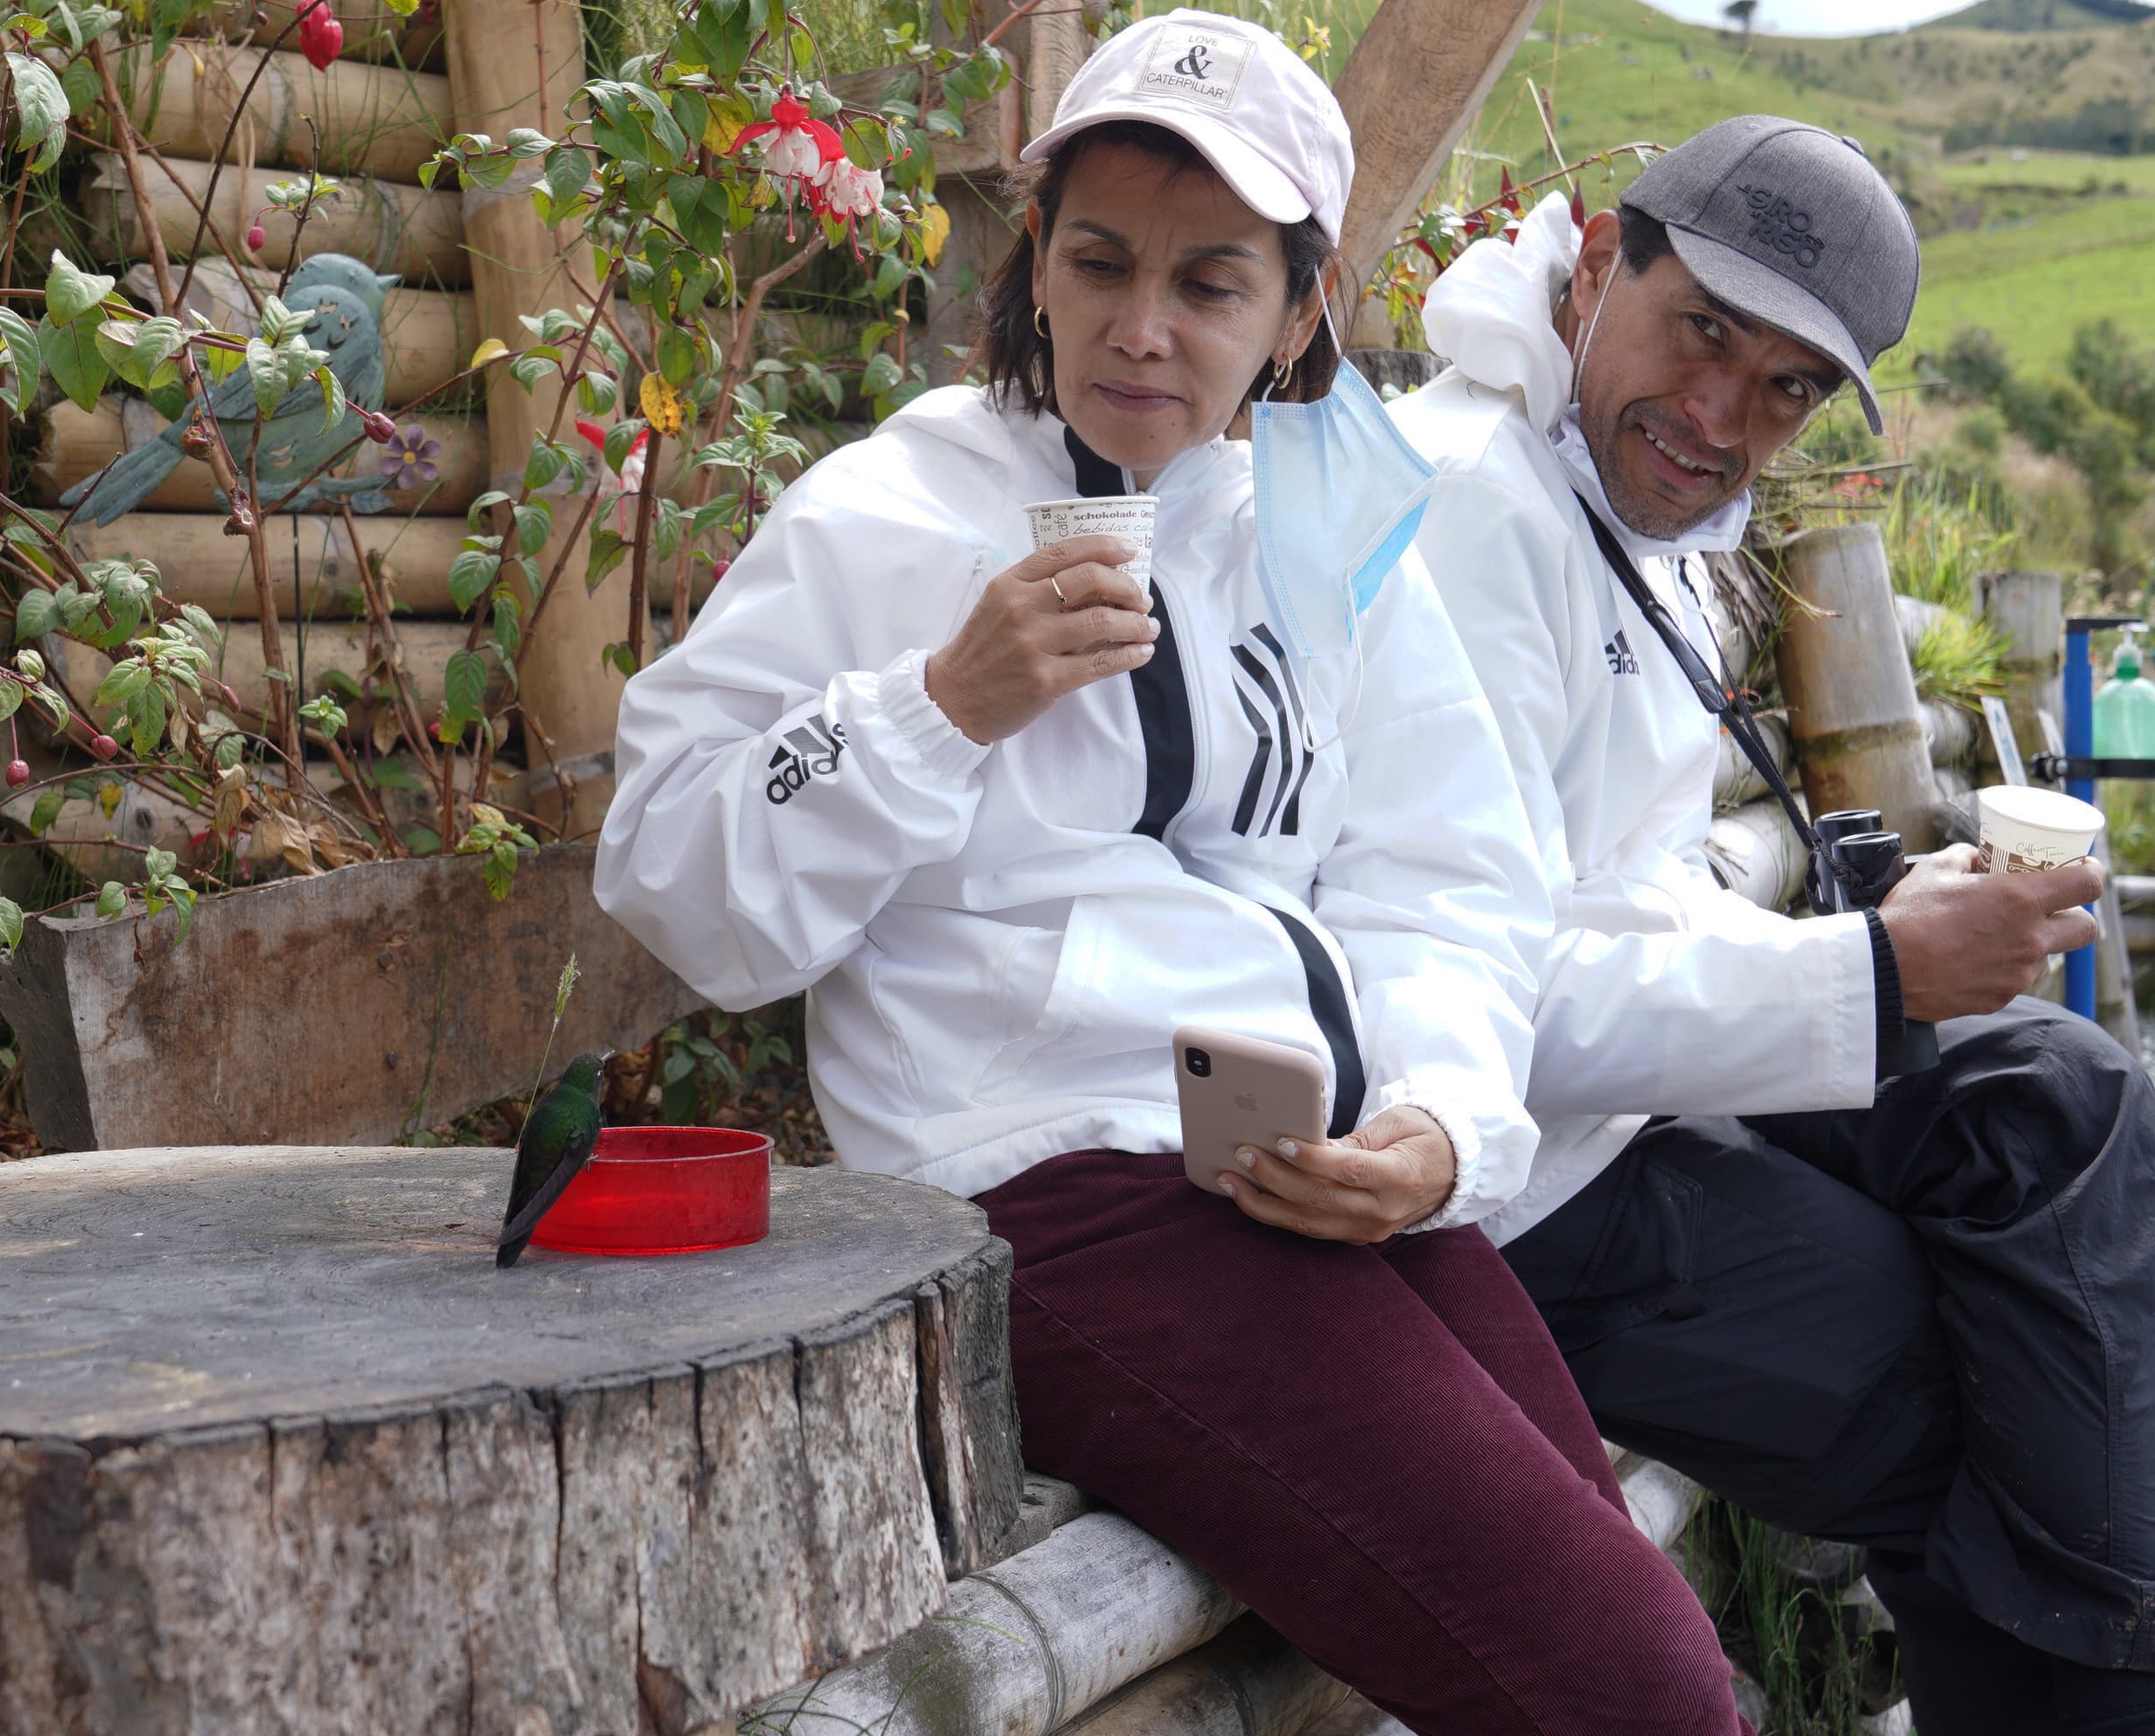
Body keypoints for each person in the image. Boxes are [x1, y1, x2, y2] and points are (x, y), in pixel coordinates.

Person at [599, 14, 1751, 1733]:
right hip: (1044, 1198)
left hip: (1300, 1174)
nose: (1142, 327)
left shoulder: (1314, 536)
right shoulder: (885, 516)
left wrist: (1441, 1124)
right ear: (1034, 261)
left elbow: (1443, 879)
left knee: (1619, 1617)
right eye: (1100, 264)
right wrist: (933, 708)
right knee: (1630, 1685)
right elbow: (672, 876)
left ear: (1298, 310)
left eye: (1210, 284)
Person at [1384, 115, 2155, 1733]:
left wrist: (1876, 947)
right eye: (1703, 334)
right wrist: (1869, 974)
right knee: (1999, 1397)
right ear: (1601, 262)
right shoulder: (1460, 510)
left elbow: (1635, 884)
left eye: (1787, 387)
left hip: (1632, 1096)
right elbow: (1456, 990)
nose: (1721, 418)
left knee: (2071, 1101)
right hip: (1511, 1176)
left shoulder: (1618, 502)